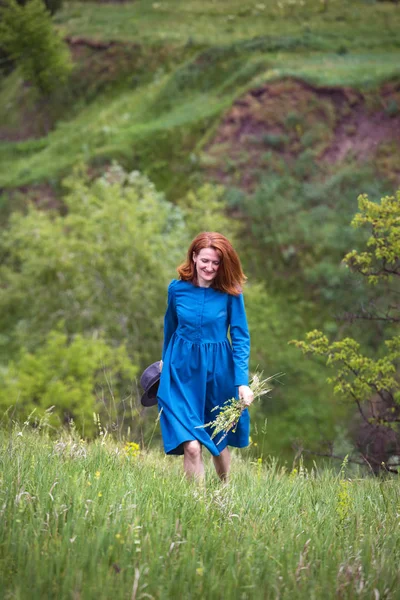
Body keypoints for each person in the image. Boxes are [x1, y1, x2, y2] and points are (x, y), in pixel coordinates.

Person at [157, 232, 254, 481]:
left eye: (216, 262)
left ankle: (224, 492)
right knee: (191, 446)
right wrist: (164, 365)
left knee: (219, 442)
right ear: (194, 257)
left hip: (218, 373)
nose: (210, 267)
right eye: (205, 261)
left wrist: (242, 382)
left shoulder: (231, 294)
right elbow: (170, 328)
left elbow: (241, 337)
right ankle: (197, 507)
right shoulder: (176, 290)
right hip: (181, 372)